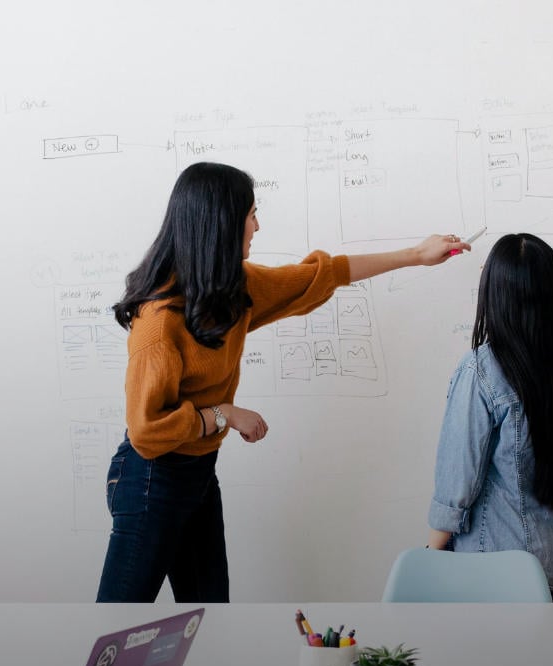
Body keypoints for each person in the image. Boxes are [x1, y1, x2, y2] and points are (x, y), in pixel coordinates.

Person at [98, 161, 470, 603]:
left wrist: (416, 255)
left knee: (210, 621)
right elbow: (146, 432)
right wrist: (223, 415)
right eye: (251, 214)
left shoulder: (232, 290)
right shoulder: (158, 323)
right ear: (221, 224)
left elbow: (323, 274)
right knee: (117, 628)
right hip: (149, 479)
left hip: (197, 475)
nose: (257, 225)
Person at [426, 233, 553, 603]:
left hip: (496, 571)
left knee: (488, 663)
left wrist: (429, 558)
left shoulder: (481, 370)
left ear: (497, 293)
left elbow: (457, 483)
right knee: (552, 661)